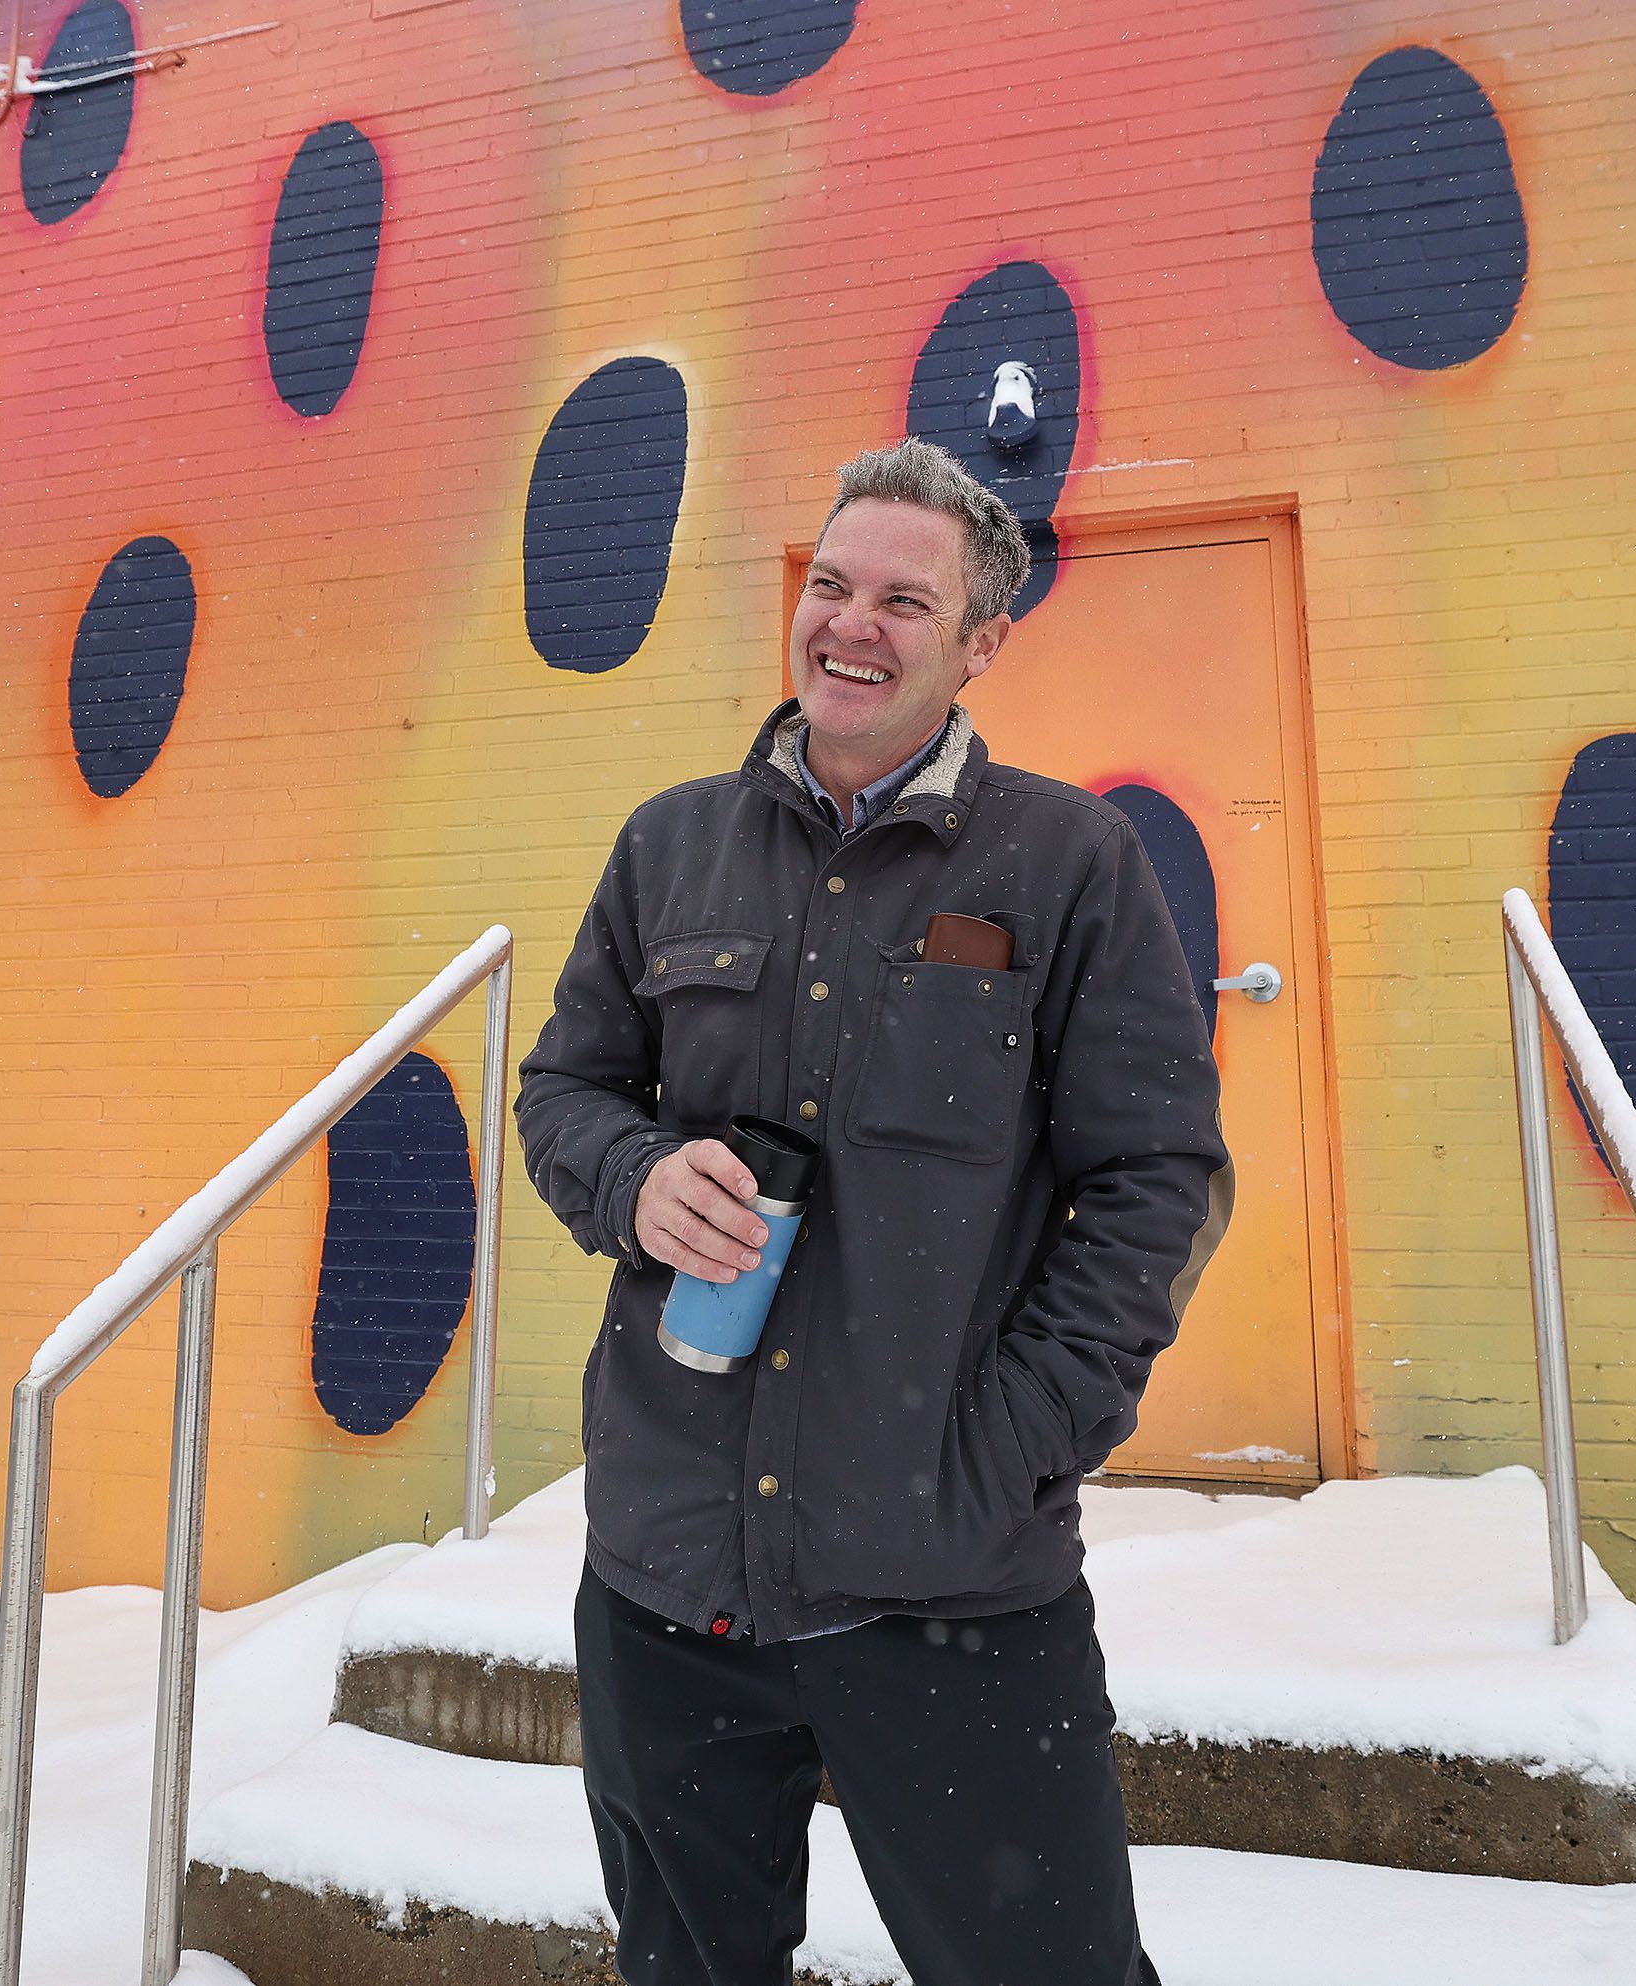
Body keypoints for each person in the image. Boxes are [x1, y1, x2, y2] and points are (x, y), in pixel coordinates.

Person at [516, 437, 1233, 1986]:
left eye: (905, 600)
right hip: (668, 1578)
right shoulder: (670, 846)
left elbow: (1156, 1182)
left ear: (981, 643)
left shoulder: (1068, 863)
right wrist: (635, 1177)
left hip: (951, 1587)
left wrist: (1011, 1444)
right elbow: (564, 1090)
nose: (851, 623)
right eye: (831, 584)